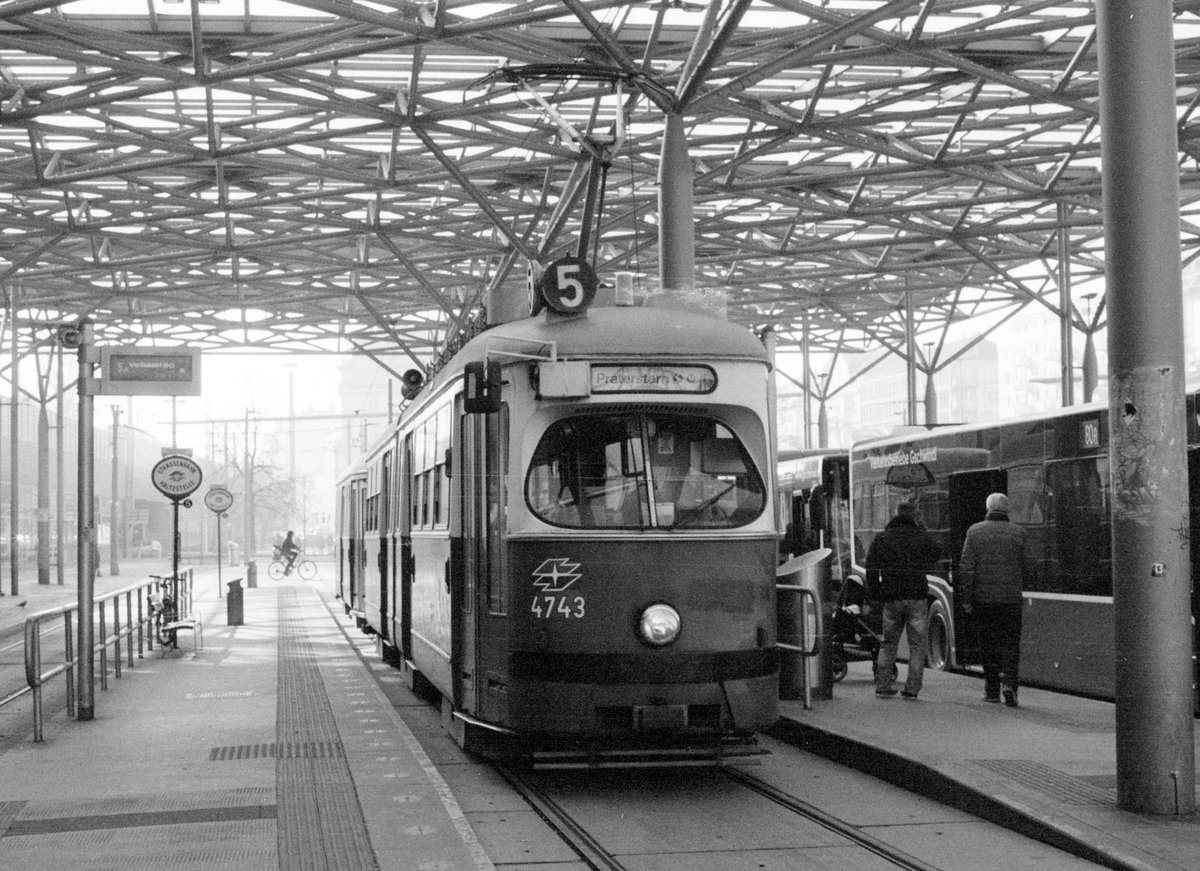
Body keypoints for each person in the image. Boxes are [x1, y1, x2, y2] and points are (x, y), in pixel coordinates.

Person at [959, 492, 1037, 708]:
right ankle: (1010, 685)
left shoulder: (974, 532)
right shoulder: (1019, 533)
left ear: (988, 509)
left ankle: (991, 689)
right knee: (1011, 644)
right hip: (1011, 600)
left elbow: (966, 568)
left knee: (988, 644)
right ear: (1007, 510)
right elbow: (1030, 566)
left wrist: (966, 598)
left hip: (983, 601)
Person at [864, 501, 941, 699]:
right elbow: (937, 554)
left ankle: (883, 686)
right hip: (916, 597)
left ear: (895, 514)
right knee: (917, 645)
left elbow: (871, 569)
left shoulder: (882, 538)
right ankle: (912, 689)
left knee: (888, 644)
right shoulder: (920, 536)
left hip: (891, 597)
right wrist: (922, 526)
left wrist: (877, 593)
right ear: (915, 515)